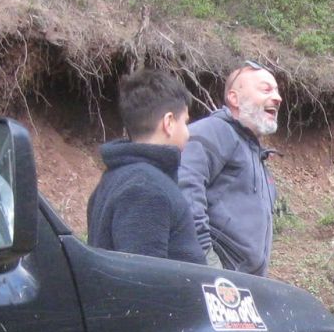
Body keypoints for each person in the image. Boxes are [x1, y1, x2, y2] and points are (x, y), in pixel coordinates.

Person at [86, 70, 207, 265]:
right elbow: (143, 277)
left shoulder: (116, 177)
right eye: (185, 122)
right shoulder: (147, 189)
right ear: (168, 122)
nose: (188, 133)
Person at [179, 61, 281, 276]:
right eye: (266, 89)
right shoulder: (214, 131)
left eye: (277, 90)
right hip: (217, 279)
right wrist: (209, 266)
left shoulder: (254, 152)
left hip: (244, 282)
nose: (277, 97)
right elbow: (184, 193)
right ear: (234, 98)